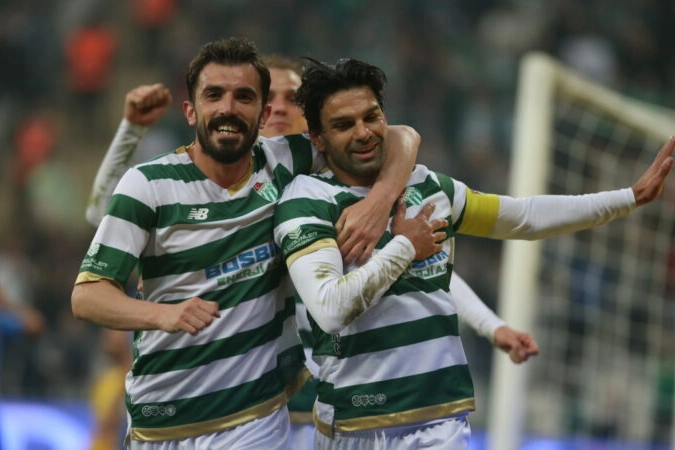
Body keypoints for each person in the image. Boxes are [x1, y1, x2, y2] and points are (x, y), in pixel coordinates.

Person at [84, 54, 538, 450]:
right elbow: (103, 216)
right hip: (208, 399)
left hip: (304, 402)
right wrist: (131, 132)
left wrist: (488, 323)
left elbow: (420, 257)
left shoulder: (326, 175)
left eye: (291, 97)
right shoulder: (230, 175)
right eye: (272, 97)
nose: (281, 106)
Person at [273, 57, 674, 449]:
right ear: (318, 139)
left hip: (441, 419)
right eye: (344, 125)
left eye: (371, 117)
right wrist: (406, 246)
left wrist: (629, 197)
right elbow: (331, 310)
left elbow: (524, 217)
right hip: (353, 422)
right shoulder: (306, 201)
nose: (363, 133)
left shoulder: (429, 187)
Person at [71, 37, 421, 450]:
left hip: (257, 419)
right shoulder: (149, 184)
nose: (228, 108)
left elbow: (400, 136)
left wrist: (379, 203)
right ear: (190, 111)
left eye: (244, 97)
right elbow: (87, 297)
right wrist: (163, 314)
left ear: (263, 113)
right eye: (214, 95)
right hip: (162, 419)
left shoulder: (286, 162)